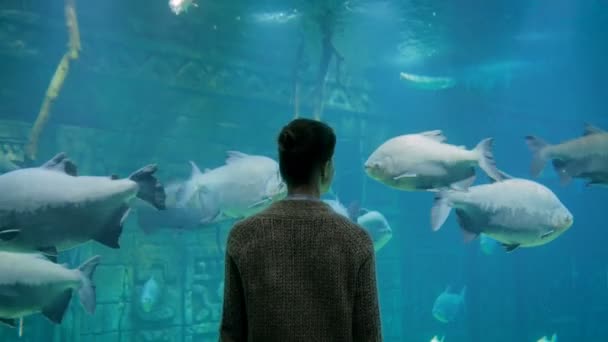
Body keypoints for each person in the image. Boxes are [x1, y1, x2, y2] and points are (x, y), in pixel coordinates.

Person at [219, 118, 382, 341]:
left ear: (283, 170)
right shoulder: (356, 239)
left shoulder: (243, 236)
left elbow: (231, 332)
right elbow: (368, 334)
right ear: (326, 169)